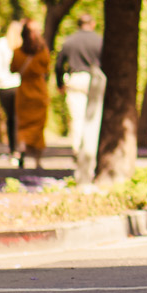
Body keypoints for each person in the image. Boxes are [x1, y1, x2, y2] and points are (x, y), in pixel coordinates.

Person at [55, 14, 106, 184]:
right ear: (92, 23)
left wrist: (59, 82)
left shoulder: (69, 41)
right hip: (94, 80)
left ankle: (78, 152)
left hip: (75, 80)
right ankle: (91, 153)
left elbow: (58, 63)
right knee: (93, 119)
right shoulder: (99, 41)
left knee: (77, 120)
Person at [9, 18, 53, 171]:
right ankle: (38, 160)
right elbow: (47, 68)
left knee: (23, 124)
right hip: (39, 91)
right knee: (38, 126)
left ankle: (21, 150)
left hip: (24, 92)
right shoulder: (43, 52)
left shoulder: (17, 53)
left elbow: (13, 68)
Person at [0, 20, 24, 163]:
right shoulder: (24, 45)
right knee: (20, 119)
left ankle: (14, 150)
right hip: (20, 86)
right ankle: (20, 149)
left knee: (11, 119)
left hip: (5, 86)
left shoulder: (1, 44)